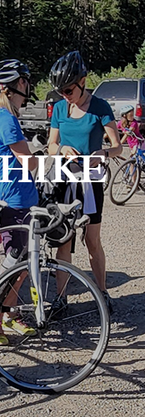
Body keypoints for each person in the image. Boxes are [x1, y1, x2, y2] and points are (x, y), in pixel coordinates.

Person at [47, 50, 122, 314]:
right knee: (63, 240)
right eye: (61, 91)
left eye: (68, 90)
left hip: (90, 181)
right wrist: (62, 149)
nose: (65, 95)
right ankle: (61, 298)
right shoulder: (59, 108)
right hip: (63, 179)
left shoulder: (100, 107)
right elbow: (51, 144)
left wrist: (103, 154)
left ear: (83, 82)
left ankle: (102, 292)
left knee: (92, 240)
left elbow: (118, 147)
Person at [0, 59, 39, 345]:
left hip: (19, 197)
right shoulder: (8, 120)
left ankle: (9, 314)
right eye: (26, 81)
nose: (28, 86)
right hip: (15, 200)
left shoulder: (0, 117)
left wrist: (0, 163)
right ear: (17, 85)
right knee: (13, 263)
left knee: (22, 263)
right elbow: (30, 163)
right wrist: (39, 154)